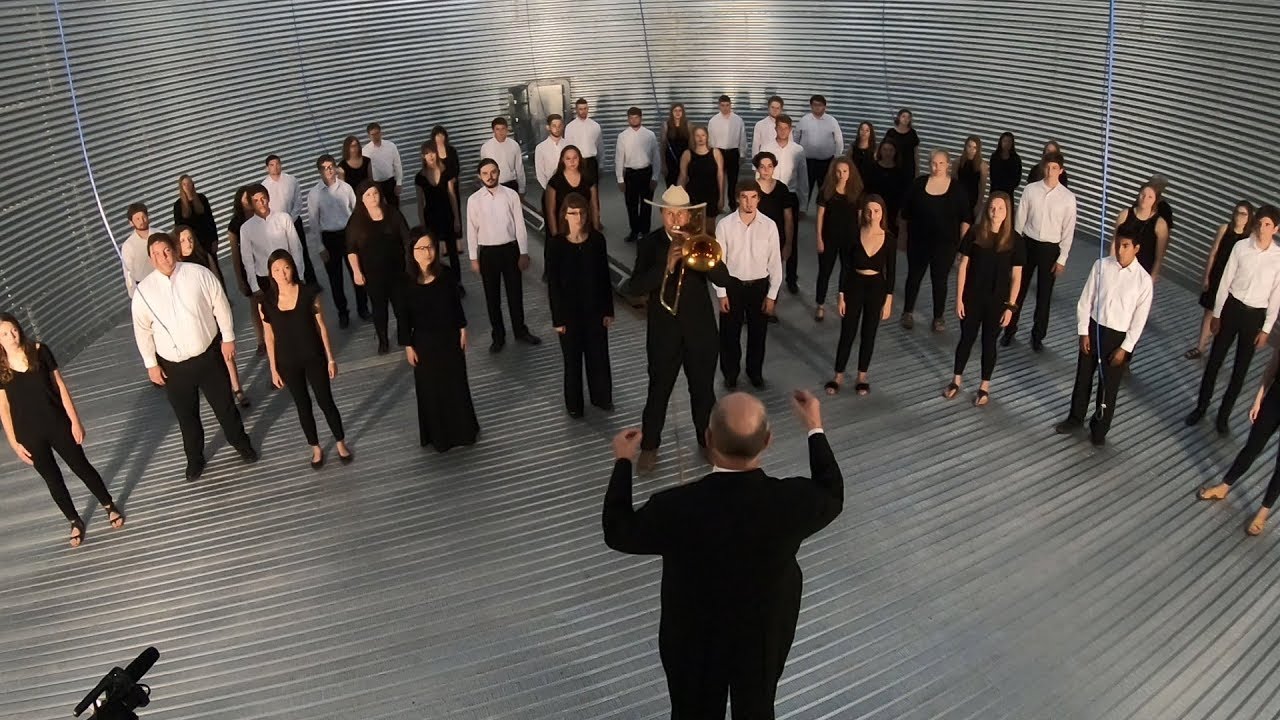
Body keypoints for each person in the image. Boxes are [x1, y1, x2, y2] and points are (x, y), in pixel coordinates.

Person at [602, 390, 842, 719]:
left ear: (709, 438)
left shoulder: (674, 508)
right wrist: (814, 427)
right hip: (763, 630)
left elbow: (618, 531)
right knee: (757, 705)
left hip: (693, 635)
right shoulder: (791, 502)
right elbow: (831, 491)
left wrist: (622, 461)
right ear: (768, 441)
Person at [620, 185, 738, 473]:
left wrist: (700, 254)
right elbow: (633, 287)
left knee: (703, 393)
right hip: (664, 333)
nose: (675, 219)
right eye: (669, 213)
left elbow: (725, 278)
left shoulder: (701, 241)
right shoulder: (649, 244)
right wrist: (667, 267)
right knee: (658, 392)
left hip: (700, 332)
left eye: (680, 214)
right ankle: (650, 447)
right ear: (662, 213)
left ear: (687, 215)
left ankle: (706, 442)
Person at [131, 233, 257, 480]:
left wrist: (228, 337)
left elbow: (219, 303)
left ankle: (242, 444)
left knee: (225, 407)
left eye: (166, 251)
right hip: (174, 367)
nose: (163, 257)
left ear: (174, 250)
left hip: (208, 357)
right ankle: (195, 459)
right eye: (156, 254)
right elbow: (142, 330)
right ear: (150, 258)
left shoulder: (198, 274)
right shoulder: (144, 292)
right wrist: (151, 364)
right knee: (187, 417)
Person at [0, 313, 124, 548]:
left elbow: (60, 385)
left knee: (81, 466)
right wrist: (14, 443)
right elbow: (3, 408)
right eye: (4, 334)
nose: (11, 336)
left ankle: (109, 505)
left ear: (19, 329)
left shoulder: (39, 351)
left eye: (13, 329)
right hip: (29, 434)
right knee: (52, 479)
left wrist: (75, 421)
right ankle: (74, 520)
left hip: (57, 423)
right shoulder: (0, 366)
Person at [1186, 205, 1280, 434]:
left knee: (1240, 370)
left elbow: (1277, 294)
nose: (1262, 227)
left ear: (1276, 229)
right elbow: (1225, 281)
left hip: (1255, 315)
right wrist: (1217, 314)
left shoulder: (1278, 258)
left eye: (1268, 224)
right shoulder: (1241, 247)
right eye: (1259, 222)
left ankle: (1223, 417)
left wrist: (1266, 328)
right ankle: (1201, 407)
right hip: (1232, 308)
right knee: (1215, 361)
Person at [1054, 234, 1153, 447]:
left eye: (1126, 246)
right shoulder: (1101, 265)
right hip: (1094, 328)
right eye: (1118, 244)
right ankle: (1075, 418)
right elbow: (1085, 299)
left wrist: (1125, 349)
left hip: (1117, 337)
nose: (1120, 250)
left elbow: (1139, 320)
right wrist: (1083, 331)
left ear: (1136, 248)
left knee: (1108, 388)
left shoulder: (1143, 280)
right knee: (1083, 378)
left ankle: (1099, 429)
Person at [260, 250, 351, 469]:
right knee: (303, 405)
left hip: (314, 357)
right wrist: (273, 369)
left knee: (325, 401)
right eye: (276, 269)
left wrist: (331, 359)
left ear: (293, 267)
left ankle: (340, 442)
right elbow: (269, 337)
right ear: (270, 273)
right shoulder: (266, 302)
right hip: (288, 362)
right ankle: (316, 448)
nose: (282, 273)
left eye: (286, 267)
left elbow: (322, 327)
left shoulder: (309, 292)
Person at [400, 232, 479, 452]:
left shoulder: (446, 275)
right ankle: (439, 437)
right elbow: (403, 318)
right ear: (412, 252)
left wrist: (462, 328)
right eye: (421, 248)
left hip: (449, 336)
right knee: (431, 389)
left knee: (456, 384)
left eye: (430, 247)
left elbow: (456, 305)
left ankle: (463, 432)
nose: (427, 253)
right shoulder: (405, 283)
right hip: (423, 341)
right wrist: (408, 345)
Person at [942, 192, 1023, 407]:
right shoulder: (975, 234)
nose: (996, 212)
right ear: (987, 210)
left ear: (1008, 212)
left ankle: (984, 386)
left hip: (997, 302)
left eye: (1001, 208)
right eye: (992, 208)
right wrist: (958, 298)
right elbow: (963, 267)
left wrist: (1011, 307)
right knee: (966, 339)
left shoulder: (1015, 240)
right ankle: (956, 380)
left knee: (989, 343)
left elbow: (1017, 277)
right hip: (972, 297)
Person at [1197, 349, 1280, 535]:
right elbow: (1273, 365)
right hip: (1275, 397)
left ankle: (1263, 512)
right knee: (1252, 447)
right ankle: (1224, 487)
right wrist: (1259, 398)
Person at [546, 193, 614, 418]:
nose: (578, 217)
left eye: (582, 212)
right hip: (569, 314)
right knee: (572, 361)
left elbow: (605, 277)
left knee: (599, 357)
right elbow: (553, 285)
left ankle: (602, 398)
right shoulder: (555, 245)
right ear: (564, 215)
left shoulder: (597, 241)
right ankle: (575, 405)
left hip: (594, 310)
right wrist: (558, 319)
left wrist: (608, 311)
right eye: (573, 213)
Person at [1003, 150, 1077, 352]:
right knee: (1018, 289)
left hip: (1050, 249)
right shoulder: (1030, 190)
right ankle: (1009, 329)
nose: (1051, 171)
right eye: (1048, 167)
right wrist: (1014, 249)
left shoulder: (1068, 198)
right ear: (1043, 167)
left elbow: (1068, 230)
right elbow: (1019, 221)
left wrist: (1062, 258)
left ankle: (1038, 337)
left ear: (1061, 171)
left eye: (1055, 168)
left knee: (1044, 295)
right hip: (1027, 244)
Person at [467, 159, 541, 353]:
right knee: (492, 298)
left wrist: (523, 252)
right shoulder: (474, 200)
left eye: (493, 172)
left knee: (515, 294)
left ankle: (520, 331)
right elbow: (471, 231)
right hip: (488, 253)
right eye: (485, 173)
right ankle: (498, 336)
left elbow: (519, 226)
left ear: (499, 173)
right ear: (479, 176)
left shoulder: (511, 195)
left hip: (510, 250)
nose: (489, 176)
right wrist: (473, 258)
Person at [825, 195, 896, 396]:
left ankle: (862, 375)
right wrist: (841, 293)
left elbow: (891, 272)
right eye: (869, 211)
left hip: (876, 287)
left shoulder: (889, 239)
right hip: (854, 284)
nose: (873, 215)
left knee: (869, 332)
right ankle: (838, 374)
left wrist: (888, 299)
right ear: (864, 213)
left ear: (882, 213)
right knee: (848, 330)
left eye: (877, 211)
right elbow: (845, 267)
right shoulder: (854, 234)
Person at [715, 180, 782, 389]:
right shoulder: (724, 225)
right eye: (745, 197)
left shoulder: (770, 226)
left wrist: (771, 296)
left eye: (753, 197)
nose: (749, 202)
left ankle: (755, 372)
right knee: (729, 334)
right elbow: (719, 262)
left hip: (759, 286)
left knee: (758, 333)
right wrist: (721, 293)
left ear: (759, 199)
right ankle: (731, 374)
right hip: (732, 285)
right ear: (737, 198)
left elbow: (775, 263)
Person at [177, 225, 249, 408]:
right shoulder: (177, 266)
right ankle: (224, 394)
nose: (188, 243)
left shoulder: (204, 257)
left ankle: (237, 388)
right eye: (183, 240)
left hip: (212, 313)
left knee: (226, 352)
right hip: (194, 319)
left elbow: (216, 282)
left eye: (190, 238)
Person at [901, 149, 972, 332]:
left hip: (946, 245)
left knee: (939, 281)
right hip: (918, 242)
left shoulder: (957, 189)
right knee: (914, 277)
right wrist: (903, 238)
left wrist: (962, 248)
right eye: (934, 163)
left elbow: (966, 219)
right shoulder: (918, 184)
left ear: (948, 164)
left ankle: (938, 317)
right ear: (928, 164)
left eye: (941, 163)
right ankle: (907, 312)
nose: (937, 167)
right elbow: (905, 214)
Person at [346, 181, 411, 354]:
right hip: (373, 274)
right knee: (379, 309)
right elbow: (351, 249)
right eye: (368, 195)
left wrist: (411, 263)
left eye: (375, 193)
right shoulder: (357, 221)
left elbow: (407, 239)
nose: (372, 197)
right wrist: (356, 272)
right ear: (361, 199)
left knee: (401, 305)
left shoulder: (392, 213)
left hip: (397, 270)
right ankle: (383, 341)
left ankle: (405, 337)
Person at [1187, 202, 1254, 360]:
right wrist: (1207, 276)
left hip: (1233, 280)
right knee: (1209, 312)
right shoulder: (1224, 229)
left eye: (1243, 214)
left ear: (1249, 217)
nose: (1239, 216)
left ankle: (1216, 350)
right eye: (1237, 212)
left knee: (1226, 316)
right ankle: (1200, 347)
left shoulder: (1249, 237)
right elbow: (1213, 253)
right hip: (1218, 275)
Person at [308, 154, 365, 329]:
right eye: (325, 168)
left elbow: (356, 212)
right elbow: (313, 222)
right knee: (335, 279)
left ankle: (363, 308)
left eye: (331, 166)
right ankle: (343, 313)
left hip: (347, 235)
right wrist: (320, 247)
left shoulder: (346, 188)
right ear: (320, 171)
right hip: (329, 238)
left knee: (357, 273)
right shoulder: (315, 193)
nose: (329, 170)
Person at [761, 115, 808, 294]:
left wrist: (803, 205)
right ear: (775, 129)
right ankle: (765, 274)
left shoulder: (798, 150)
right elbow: (758, 172)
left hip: (790, 195)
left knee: (790, 238)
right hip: (768, 195)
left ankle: (791, 277)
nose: (782, 131)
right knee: (768, 236)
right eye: (779, 128)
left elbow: (804, 179)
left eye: (785, 128)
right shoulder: (766, 148)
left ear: (790, 129)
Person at [239, 184, 310, 301]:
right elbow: (247, 259)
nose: (261, 203)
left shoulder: (284, 218)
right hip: (265, 278)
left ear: (268, 198)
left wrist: (300, 274)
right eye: (256, 201)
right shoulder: (246, 228)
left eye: (263, 198)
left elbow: (295, 247)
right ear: (251, 204)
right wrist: (254, 286)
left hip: (287, 273)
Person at [814, 157, 864, 322]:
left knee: (847, 271)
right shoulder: (826, 191)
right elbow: (820, 216)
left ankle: (843, 300)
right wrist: (819, 239)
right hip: (829, 238)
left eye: (845, 171)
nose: (842, 174)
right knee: (824, 272)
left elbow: (859, 218)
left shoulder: (856, 192)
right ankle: (820, 304)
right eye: (838, 171)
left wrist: (860, 239)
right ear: (833, 172)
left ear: (850, 173)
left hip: (849, 239)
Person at [261, 155, 318, 285]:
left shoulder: (291, 180)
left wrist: (290, 219)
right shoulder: (264, 185)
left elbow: (298, 201)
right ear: (267, 168)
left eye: (277, 164)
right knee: (284, 254)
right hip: (277, 226)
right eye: (271, 165)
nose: (275, 167)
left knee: (302, 251)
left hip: (294, 221)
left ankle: (311, 283)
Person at [414, 142, 463, 289]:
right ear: (423, 156)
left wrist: (457, 218)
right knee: (433, 252)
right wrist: (422, 223)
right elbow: (419, 202)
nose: (430, 156)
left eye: (432, 152)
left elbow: (452, 196)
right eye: (427, 153)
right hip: (431, 217)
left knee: (453, 252)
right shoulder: (420, 178)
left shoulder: (446, 171)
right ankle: (438, 282)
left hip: (447, 215)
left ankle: (457, 282)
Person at [754, 151, 796, 321]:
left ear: (774, 168)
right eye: (762, 167)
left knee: (774, 275)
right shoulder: (751, 188)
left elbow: (788, 219)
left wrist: (788, 244)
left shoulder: (782, 189)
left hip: (777, 240)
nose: (766, 170)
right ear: (757, 168)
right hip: (755, 240)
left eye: (769, 166)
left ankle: (770, 308)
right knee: (755, 276)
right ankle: (752, 309)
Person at [227, 187, 267, 353]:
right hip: (247, 266)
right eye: (245, 199)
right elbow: (235, 254)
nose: (248, 202)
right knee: (255, 304)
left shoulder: (262, 217)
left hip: (264, 263)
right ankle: (260, 340)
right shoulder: (235, 224)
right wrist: (239, 279)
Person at [614, 107, 661, 242]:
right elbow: (619, 158)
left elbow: (656, 157)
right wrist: (620, 179)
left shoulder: (649, 135)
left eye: (636, 117)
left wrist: (655, 177)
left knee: (646, 204)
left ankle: (645, 232)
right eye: (631, 117)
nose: (633, 120)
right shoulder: (622, 136)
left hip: (646, 172)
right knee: (631, 204)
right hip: (630, 174)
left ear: (641, 118)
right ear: (628, 119)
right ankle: (634, 231)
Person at [1113, 183, 1170, 279]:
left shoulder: (1160, 224)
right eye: (1143, 195)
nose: (1145, 199)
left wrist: (1152, 278)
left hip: (1143, 272)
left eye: (1150, 197)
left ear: (1155, 200)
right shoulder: (1125, 214)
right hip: (1122, 267)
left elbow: (1159, 257)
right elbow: (1114, 242)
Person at [796, 95, 844, 210]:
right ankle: (802, 209)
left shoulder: (831, 121)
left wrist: (836, 159)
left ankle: (823, 209)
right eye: (814, 105)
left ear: (824, 107)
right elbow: (796, 137)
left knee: (825, 187)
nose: (817, 108)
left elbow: (839, 140)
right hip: (808, 161)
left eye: (820, 105)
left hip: (826, 162)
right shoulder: (804, 120)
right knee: (805, 186)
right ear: (811, 106)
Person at [545, 144, 601, 236]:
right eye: (568, 158)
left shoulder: (588, 179)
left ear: (580, 159)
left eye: (575, 158)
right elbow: (550, 211)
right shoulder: (554, 182)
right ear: (562, 160)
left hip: (585, 227)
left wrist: (596, 230)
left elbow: (594, 207)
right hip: (563, 229)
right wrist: (555, 236)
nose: (572, 161)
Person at [862, 138, 911, 230]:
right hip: (874, 211)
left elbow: (904, 196)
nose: (888, 153)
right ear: (880, 151)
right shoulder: (872, 168)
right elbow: (866, 191)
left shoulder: (901, 172)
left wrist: (900, 214)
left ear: (895, 152)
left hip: (893, 212)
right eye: (885, 149)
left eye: (891, 150)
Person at [707, 94, 746, 211]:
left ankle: (732, 205)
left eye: (727, 105)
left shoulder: (738, 120)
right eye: (722, 105)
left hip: (733, 152)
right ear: (719, 106)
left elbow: (742, 138)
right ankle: (718, 205)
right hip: (718, 152)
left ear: (730, 105)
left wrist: (743, 154)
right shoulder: (713, 121)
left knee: (733, 181)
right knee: (717, 181)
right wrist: (711, 155)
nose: (725, 108)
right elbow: (710, 139)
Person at [677, 126, 724, 220]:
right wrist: (680, 198)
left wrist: (721, 197)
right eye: (697, 135)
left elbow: (720, 176)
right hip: (693, 195)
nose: (700, 138)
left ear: (707, 137)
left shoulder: (716, 153)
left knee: (710, 226)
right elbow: (682, 177)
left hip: (712, 194)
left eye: (703, 135)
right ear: (693, 138)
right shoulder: (687, 154)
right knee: (693, 225)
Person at [534, 113, 566, 229]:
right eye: (554, 126)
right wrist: (549, 189)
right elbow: (540, 173)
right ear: (548, 127)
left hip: (567, 190)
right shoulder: (541, 148)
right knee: (551, 225)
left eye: (559, 125)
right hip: (549, 191)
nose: (557, 129)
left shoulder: (568, 145)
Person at [173, 175, 218, 257]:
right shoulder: (178, 205)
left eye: (189, 183)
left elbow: (210, 220)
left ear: (193, 184)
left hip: (206, 240)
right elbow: (178, 228)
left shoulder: (202, 198)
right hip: (191, 243)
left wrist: (215, 239)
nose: (187, 186)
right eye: (184, 184)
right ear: (181, 187)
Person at [120, 202, 159, 297]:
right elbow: (128, 273)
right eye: (137, 219)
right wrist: (134, 295)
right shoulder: (128, 245)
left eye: (143, 217)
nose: (141, 221)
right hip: (144, 288)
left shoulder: (160, 235)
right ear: (131, 222)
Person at [479, 117, 525, 193]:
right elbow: (484, 170)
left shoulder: (514, 145)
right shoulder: (486, 147)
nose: (501, 132)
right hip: (494, 185)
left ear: (507, 129)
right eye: (497, 129)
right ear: (493, 130)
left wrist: (522, 188)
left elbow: (519, 168)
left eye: (503, 129)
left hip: (511, 184)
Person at [430, 125, 463, 231]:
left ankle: (457, 229)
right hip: (439, 186)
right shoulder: (432, 153)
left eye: (442, 135)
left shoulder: (452, 150)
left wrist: (453, 178)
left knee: (455, 207)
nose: (440, 138)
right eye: (437, 136)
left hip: (452, 184)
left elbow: (457, 167)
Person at [362, 122, 403, 206]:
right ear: (369, 136)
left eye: (377, 133)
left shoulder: (391, 146)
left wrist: (399, 183)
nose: (375, 136)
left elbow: (397, 165)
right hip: (376, 184)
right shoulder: (365, 151)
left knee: (394, 208)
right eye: (372, 134)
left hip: (390, 182)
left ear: (381, 133)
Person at [564, 97, 604, 182]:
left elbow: (600, 146)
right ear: (576, 110)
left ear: (588, 109)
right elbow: (567, 148)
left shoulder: (595, 126)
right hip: (577, 163)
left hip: (592, 162)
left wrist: (601, 164)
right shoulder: (570, 127)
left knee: (593, 190)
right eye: (580, 109)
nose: (583, 111)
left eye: (585, 108)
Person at [954, 136, 988, 220]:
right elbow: (953, 181)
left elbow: (982, 187)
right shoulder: (958, 161)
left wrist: (979, 204)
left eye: (975, 147)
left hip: (973, 199)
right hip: (959, 196)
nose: (971, 150)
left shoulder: (982, 165)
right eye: (969, 146)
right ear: (965, 146)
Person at [660, 102, 691, 189]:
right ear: (671, 112)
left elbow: (691, 146)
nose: (677, 113)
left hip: (685, 163)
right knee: (671, 190)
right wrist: (663, 164)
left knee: (685, 190)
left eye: (680, 110)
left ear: (683, 112)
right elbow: (663, 147)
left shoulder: (688, 125)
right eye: (675, 110)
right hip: (670, 164)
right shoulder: (666, 125)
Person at [883, 108, 920, 176]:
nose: (905, 119)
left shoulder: (912, 133)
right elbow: (884, 150)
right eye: (903, 116)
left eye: (908, 117)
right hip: (894, 165)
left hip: (909, 167)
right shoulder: (891, 132)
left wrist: (917, 168)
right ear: (898, 117)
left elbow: (916, 152)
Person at [988, 132, 1022, 197]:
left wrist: (1010, 187)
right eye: (1005, 141)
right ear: (1000, 142)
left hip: (1009, 193)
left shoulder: (1016, 159)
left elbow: (1017, 178)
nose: (1007, 144)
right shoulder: (995, 157)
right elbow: (992, 175)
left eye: (1009, 141)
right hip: (995, 191)